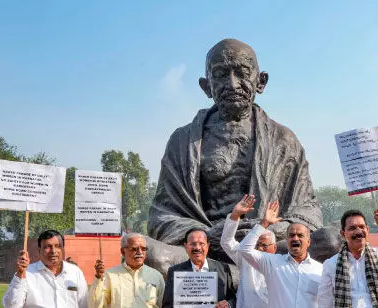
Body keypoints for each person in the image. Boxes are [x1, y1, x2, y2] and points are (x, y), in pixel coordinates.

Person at [145, 38, 343, 274]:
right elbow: (162, 216)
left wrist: (269, 230)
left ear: (261, 81)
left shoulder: (284, 139)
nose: (232, 83)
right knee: (146, 250)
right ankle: (237, 276)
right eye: (220, 74)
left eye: (242, 72)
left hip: (269, 247)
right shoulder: (182, 141)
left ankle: (231, 277)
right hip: (206, 247)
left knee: (331, 239)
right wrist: (209, 234)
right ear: (206, 86)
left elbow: (308, 211)